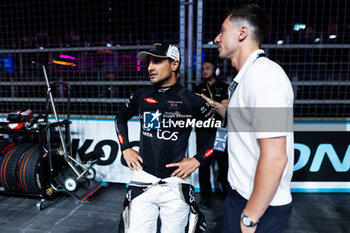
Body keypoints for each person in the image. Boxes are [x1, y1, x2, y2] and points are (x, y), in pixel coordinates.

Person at [201, 4, 294, 233]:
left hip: (259, 206)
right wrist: (219, 108)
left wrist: (250, 218)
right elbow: (249, 123)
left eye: (222, 31)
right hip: (242, 197)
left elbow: (275, 158)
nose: (216, 38)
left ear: (241, 33)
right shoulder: (248, 76)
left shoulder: (264, 76)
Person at [115, 42, 216, 233]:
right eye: (148, 62)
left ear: (174, 64)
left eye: (158, 61)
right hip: (142, 180)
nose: (150, 67)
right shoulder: (141, 96)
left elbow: (219, 132)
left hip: (176, 184)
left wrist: (197, 160)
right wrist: (125, 147)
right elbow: (120, 117)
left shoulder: (192, 100)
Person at [193, 60, 229, 207]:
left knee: (223, 164)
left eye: (208, 68)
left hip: (220, 131)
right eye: (202, 69)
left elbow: (225, 110)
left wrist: (212, 106)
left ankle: (227, 194)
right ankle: (205, 197)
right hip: (203, 131)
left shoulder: (224, 87)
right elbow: (196, 110)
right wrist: (216, 107)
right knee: (203, 164)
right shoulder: (198, 88)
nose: (204, 71)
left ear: (215, 70)